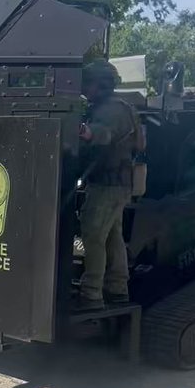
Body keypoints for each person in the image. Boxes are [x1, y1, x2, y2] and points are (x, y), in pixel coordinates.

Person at [78, 59, 140, 309]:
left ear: (100, 84)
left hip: (108, 185)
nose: (84, 89)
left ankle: (91, 294)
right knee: (112, 236)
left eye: (88, 84)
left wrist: (87, 133)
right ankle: (117, 289)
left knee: (93, 236)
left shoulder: (111, 110)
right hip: (117, 184)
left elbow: (104, 133)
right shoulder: (119, 106)